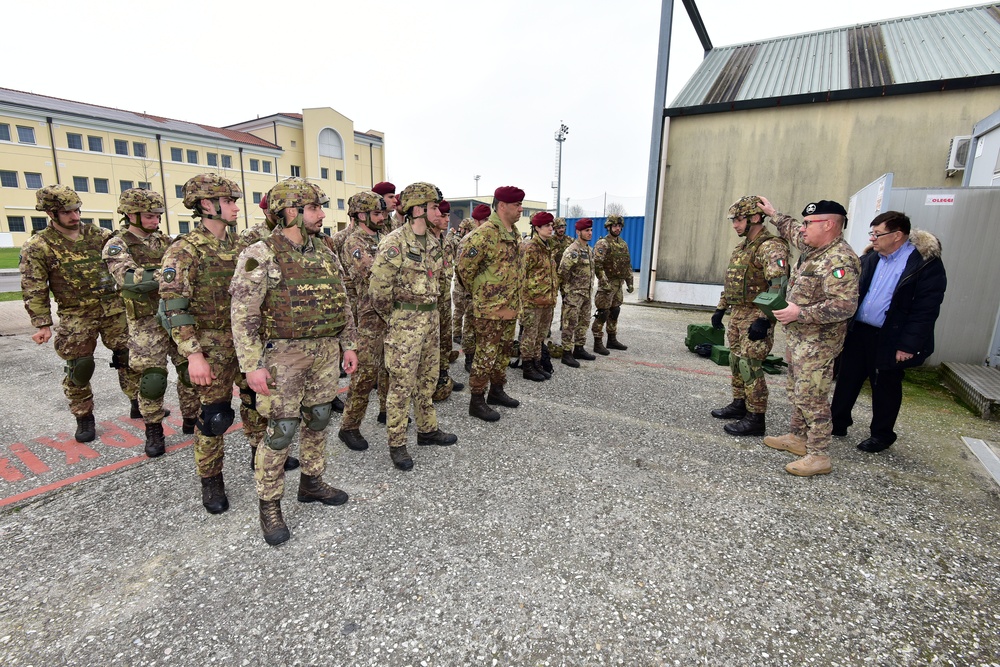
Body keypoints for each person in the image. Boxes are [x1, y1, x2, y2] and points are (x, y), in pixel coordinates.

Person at [231, 177, 359, 546]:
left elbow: (343, 300)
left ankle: (312, 482)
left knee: (318, 419)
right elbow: (243, 314)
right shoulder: (260, 253)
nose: (321, 215)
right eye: (314, 208)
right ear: (291, 212)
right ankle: (269, 503)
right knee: (281, 430)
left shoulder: (325, 251)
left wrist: (348, 344)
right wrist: (252, 365)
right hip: (283, 355)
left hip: (324, 351)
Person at [159, 173, 259, 514]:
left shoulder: (243, 246)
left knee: (257, 404)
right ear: (206, 204)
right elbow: (173, 305)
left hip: (246, 343)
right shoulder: (184, 250)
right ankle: (211, 480)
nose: (235, 207)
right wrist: (194, 355)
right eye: (229, 201)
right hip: (210, 347)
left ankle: (260, 457)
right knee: (215, 417)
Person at [20, 185, 139, 443]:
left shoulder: (101, 236)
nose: (74, 217)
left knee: (129, 357)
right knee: (80, 367)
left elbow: (127, 263)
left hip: (113, 308)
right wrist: (42, 324)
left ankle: (138, 401)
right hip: (76, 314)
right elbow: (34, 285)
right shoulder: (39, 246)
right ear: (51, 214)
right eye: (66, 212)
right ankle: (83, 416)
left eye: (76, 210)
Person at [758, 197, 860, 477]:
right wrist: (773, 213)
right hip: (799, 340)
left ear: (828, 225)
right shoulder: (815, 249)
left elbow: (845, 305)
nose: (802, 229)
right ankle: (797, 438)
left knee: (812, 397)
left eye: (808, 223)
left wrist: (798, 313)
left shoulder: (839, 259)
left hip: (818, 344)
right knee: (797, 391)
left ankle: (819, 455)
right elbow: (790, 230)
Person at [831, 211, 946, 453]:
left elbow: (925, 310)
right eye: (871, 233)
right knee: (846, 379)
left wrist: (907, 345)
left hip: (891, 337)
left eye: (877, 233)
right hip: (858, 331)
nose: (872, 238)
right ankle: (837, 423)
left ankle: (882, 435)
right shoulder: (871, 259)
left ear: (897, 235)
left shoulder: (923, 264)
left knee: (885, 386)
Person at [102, 189, 200, 457]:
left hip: (174, 313)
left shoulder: (165, 240)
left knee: (190, 371)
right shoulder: (117, 244)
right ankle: (154, 428)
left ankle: (192, 419)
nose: (155, 221)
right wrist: (171, 274)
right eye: (148, 216)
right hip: (145, 321)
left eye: (157, 215)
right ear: (130, 215)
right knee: (153, 378)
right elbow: (130, 279)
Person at [368, 182, 458, 470]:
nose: (438, 211)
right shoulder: (394, 243)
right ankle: (397, 443)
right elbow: (378, 292)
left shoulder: (433, 242)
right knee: (401, 386)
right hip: (405, 325)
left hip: (431, 320)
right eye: (433, 207)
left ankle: (427, 429)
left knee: (428, 380)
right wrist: (396, 321)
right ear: (418, 210)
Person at [709, 196, 790, 436]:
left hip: (756, 315)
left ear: (755, 217)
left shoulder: (771, 246)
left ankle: (756, 417)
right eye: (734, 219)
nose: (734, 224)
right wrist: (720, 309)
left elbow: (779, 285)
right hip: (738, 313)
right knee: (736, 362)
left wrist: (766, 319)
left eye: (738, 219)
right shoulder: (742, 247)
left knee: (750, 365)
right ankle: (739, 404)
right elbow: (732, 282)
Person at [456, 186, 524, 422]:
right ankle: (476, 400)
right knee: (485, 354)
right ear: (502, 206)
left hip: (510, 306)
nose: (521, 209)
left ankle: (496, 391)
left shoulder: (515, 233)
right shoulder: (483, 234)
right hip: (489, 310)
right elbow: (464, 270)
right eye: (517, 205)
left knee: (504, 352)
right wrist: (483, 294)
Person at [337, 190, 391, 451]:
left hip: (390, 314)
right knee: (365, 375)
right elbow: (373, 276)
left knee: (389, 368)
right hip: (369, 317)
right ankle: (349, 426)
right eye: (377, 213)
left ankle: (386, 410)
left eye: (383, 213)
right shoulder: (353, 242)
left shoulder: (384, 238)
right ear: (361, 215)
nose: (382, 218)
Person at [431, 200, 465, 400]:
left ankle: (443, 375)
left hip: (444, 298)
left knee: (445, 339)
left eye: (447, 216)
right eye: (442, 215)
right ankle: (429, 379)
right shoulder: (423, 240)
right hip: (429, 302)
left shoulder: (448, 240)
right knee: (431, 343)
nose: (446, 219)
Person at [519, 211, 559, 381]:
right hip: (532, 301)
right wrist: (523, 300)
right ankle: (527, 366)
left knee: (540, 335)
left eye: (551, 226)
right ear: (537, 228)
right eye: (547, 226)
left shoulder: (547, 247)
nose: (551, 229)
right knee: (530, 334)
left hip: (547, 300)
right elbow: (520, 275)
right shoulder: (529, 247)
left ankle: (536, 362)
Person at [452, 203, 491, 370]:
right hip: (470, 292)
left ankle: (481, 356)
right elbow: (462, 270)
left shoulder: (491, 238)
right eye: (484, 220)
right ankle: (469, 357)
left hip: (487, 293)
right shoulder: (468, 241)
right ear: (476, 221)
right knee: (469, 325)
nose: (487, 222)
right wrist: (472, 290)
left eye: (489, 219)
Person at [591, 214, 635, 354]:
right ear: (609, 227)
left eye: (619, 226)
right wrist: (604, 282)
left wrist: (630, 282)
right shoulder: (603, 243)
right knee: (603, 313)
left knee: (615, 311)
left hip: (618, 284)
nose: (617, 228)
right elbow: (597, 265)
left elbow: (627, 264)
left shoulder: (622, 244)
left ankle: (612, 339)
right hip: (607, 284)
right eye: (614, 226)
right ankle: (598, 342)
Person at [558, 219, 597, 368]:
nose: (590, 233)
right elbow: (562, 273)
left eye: (591, 230)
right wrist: (567, 292)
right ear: (578, 232)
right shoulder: (572, 250)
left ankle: (579, 348)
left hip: (586, 294)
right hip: (574, 295)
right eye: (586, 230)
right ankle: (566, 353)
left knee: (584, 321)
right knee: (569, 324)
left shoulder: (588, 249)